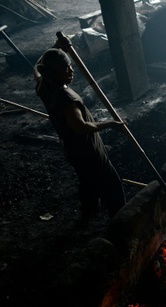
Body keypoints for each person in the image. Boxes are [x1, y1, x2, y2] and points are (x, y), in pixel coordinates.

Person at [33, 46, 126, 223]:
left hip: (70, 148)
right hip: (86, 149)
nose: (71, 70)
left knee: (87, 179)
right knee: (112, 186)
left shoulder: (42, 85)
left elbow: (37, 66)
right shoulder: (67, 99)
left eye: (70, 66)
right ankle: (122, 220)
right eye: (65, 68)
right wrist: (111, 124)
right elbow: (80, 127)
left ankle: (88, 212)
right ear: (53, 72)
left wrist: (56, 46)